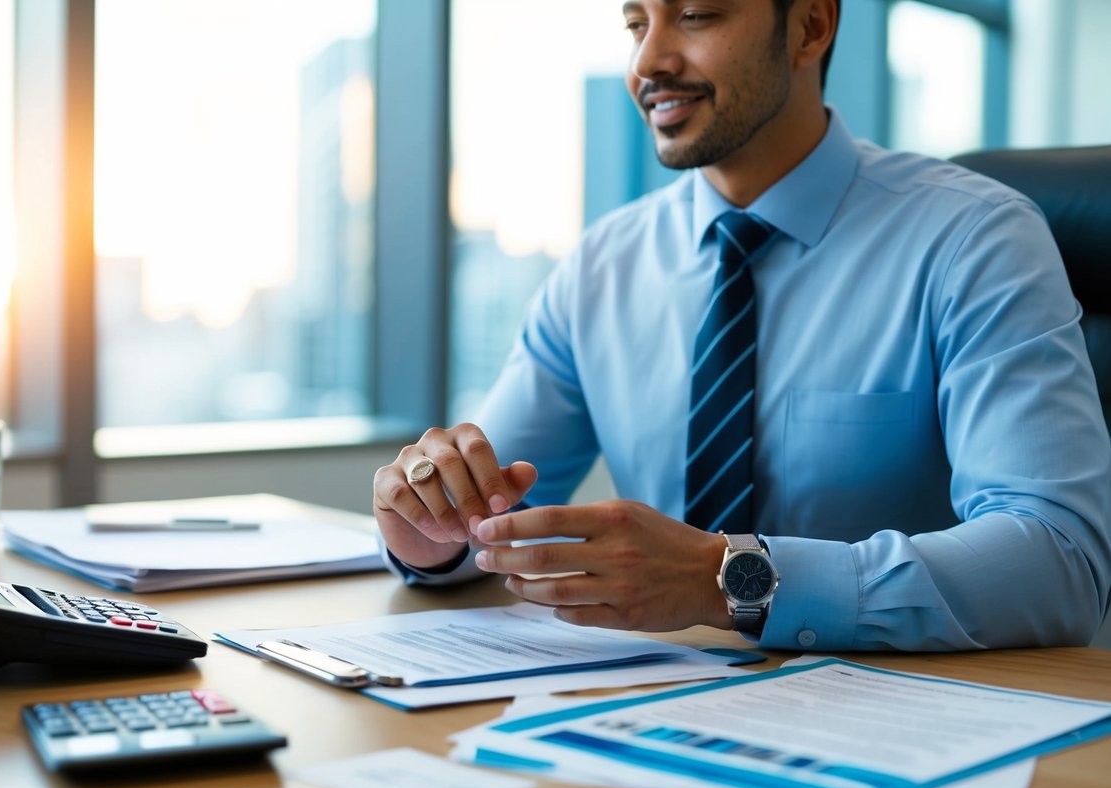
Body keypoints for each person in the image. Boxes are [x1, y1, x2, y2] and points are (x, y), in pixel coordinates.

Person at [371, 0, 1111, 651]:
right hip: (651, 717)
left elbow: (1058, 562)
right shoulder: (601, 266)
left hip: (905, 730)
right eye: (636, 22)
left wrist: (723, 578)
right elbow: (493, 515)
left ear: (810, 25)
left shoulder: (975, 239)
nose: (648, 61)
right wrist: (434, 537)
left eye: (695, 16)